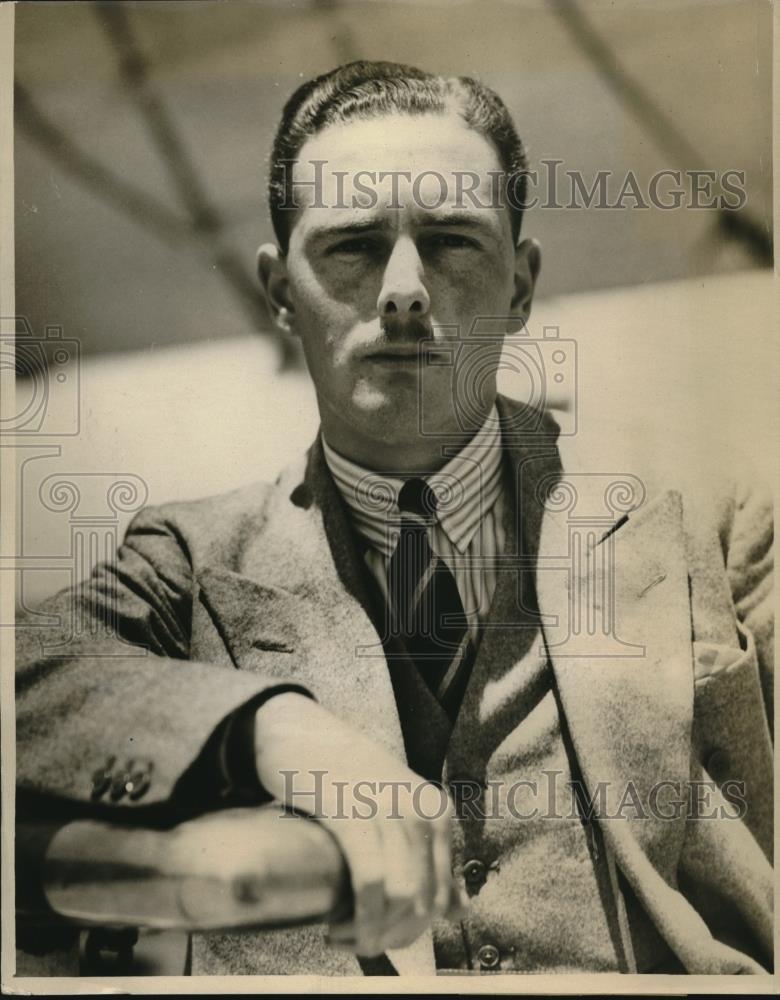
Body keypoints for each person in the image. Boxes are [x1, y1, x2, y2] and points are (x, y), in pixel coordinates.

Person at [16, 61, 773, 977]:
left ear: (521, 286)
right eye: (353, 245)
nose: (404, 289)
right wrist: (279, 732)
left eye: (453, 240)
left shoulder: (714, 527)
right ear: (279, 295)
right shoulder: (189, 561)